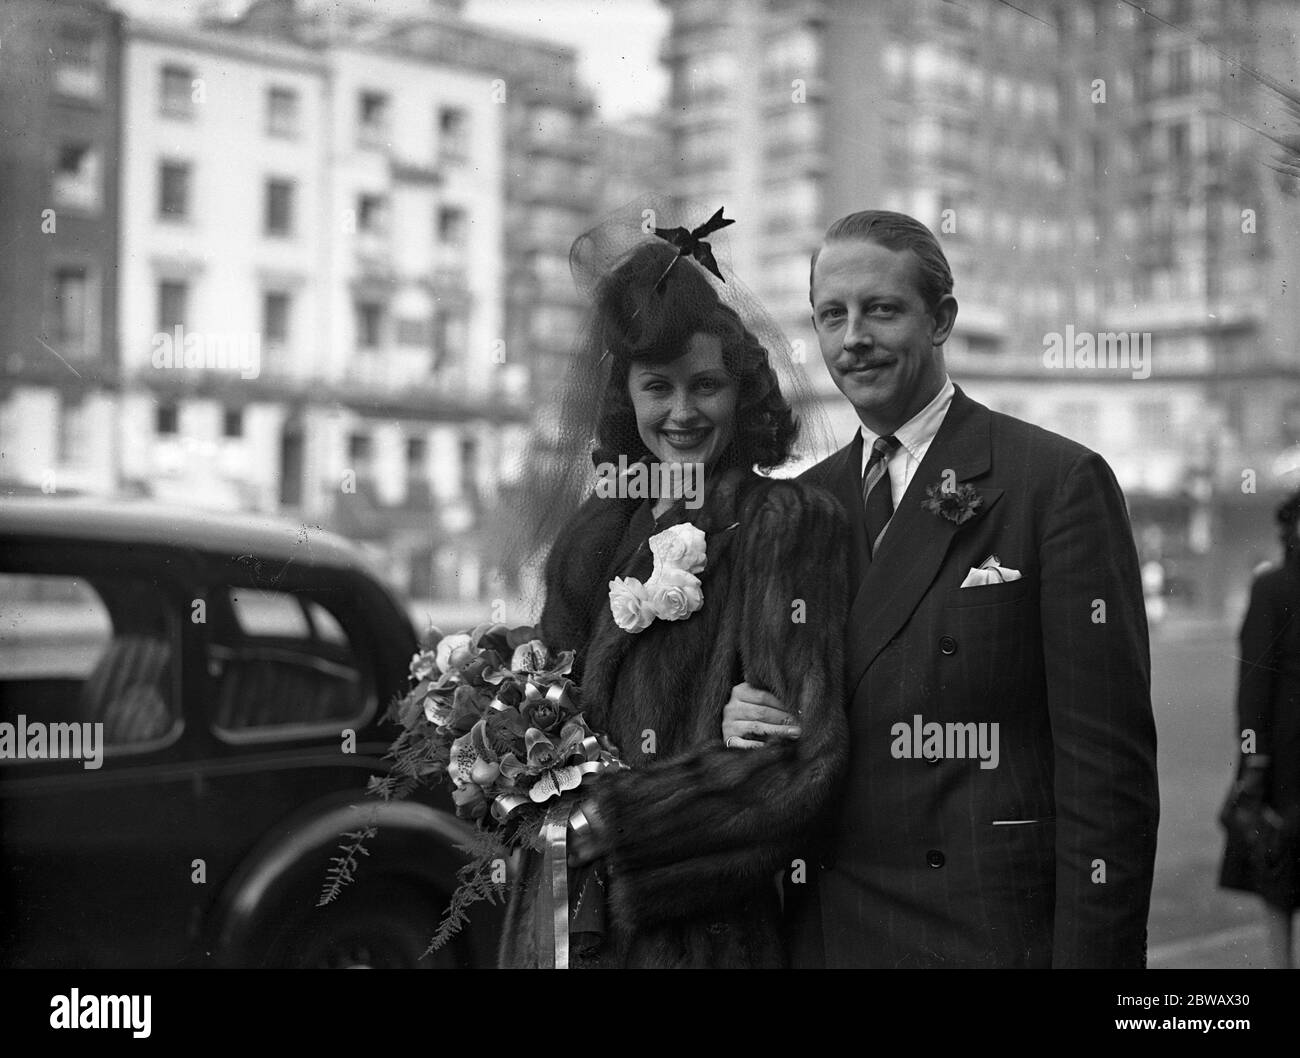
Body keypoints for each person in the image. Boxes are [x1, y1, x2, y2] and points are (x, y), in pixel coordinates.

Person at [723, 210, 1160, 968]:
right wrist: (735, 716)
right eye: (832, 315)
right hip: (828, 938)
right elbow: (780, 709)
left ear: (942, 320)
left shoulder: (1053, 485)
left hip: (986, 934)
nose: (852, 337)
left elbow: (1108, 777)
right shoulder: (798, 509)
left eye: (881, 309)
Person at [497, 211, 850, 968]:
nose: (682, 413)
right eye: (658, 386)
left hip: (695, 940)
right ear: (627, 396)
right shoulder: (600, 530)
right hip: (560, 923)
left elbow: (800, 763)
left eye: (708, 386)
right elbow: (550, 706)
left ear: (742, 394)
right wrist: (493, 738)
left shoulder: (780, 525)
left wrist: (620, 824)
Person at [1219, 490, 1300, 968]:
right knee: (1281, 866)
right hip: (1286, 757)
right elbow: (1255, 679)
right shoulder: (1273, 588)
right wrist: (1256, 759)